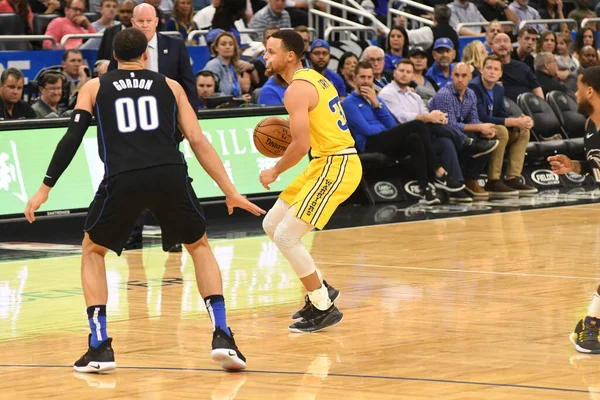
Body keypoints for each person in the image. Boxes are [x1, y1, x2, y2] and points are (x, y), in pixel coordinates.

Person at [24, 28, 265, 373]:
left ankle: (99, 345)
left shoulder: (94, 86)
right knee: (198, 246)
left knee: (93, 251)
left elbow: (72, 137)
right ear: (147, 54)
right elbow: (197, 140)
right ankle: (223, 334)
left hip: (123, 177)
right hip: (169, 173)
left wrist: (46, 186)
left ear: (111, 56)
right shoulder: (171, 86)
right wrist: (229, 189)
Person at [260, 30, 362, 332]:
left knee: (286, 236)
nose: (265, 57)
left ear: (289, 56)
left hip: (337, 163)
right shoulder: (316, 78)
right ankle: (322, 288)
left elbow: (300, 145)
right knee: (271, 225)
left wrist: (274, 170)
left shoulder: (296, 90)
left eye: (270, 51)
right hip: (323, 162)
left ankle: (322, 305)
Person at [109, 3, 200, 251]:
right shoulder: (122, 45)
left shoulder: (175, 46)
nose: (145, 25)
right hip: (133, 125)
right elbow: (109, 82)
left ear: (158, 21)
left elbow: (188, 85)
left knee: (170, 181)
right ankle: (133, 233)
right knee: (134, 177)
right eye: (140, 21)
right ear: (132, 23)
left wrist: (188, 120)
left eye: (149, 21)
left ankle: (172, 235)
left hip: (168, 124)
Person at [344, 61, 465, 204]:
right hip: (369, 144)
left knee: (415, 139)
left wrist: (377, 105)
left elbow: (391, 124)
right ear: (355, 78)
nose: (366, 81)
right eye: (362, 77)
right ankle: (439, 171)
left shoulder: (377, 100)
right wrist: (384, 128)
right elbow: (367, 130)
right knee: (418, 124)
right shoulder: (349, 102)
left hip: (385, 141)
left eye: (369, 77)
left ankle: (425, 190)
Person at [548, 65, 600, 354]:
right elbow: (597, 168)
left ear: (590, 91)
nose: (575, 93)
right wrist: (575, 166)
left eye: (578, 88)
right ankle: (590, 324)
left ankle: (591, 323)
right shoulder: (590, 126)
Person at [469, 55, 538, 196]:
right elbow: (482, 117)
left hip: (492, 128)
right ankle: (493, 180)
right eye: (488, 68)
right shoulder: (474, 87)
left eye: (496, 69)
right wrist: (513, 122)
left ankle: (513, 178)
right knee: (501, 131)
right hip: (476, 130)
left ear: (500, 74)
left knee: (523, 131)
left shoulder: (498, 89)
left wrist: (520, 120)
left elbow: (502, 114)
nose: (492, 72)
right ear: (482, 69)